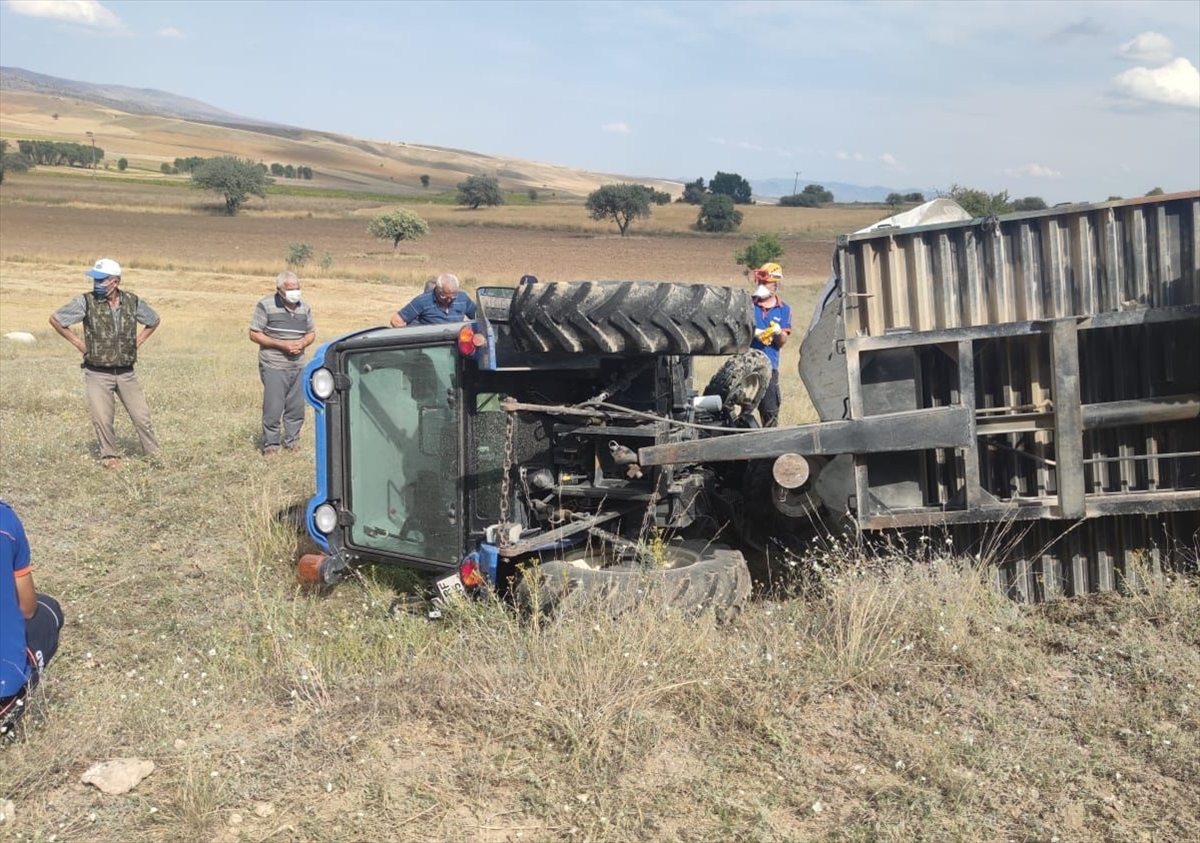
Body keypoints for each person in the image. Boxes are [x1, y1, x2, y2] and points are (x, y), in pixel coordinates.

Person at [49, 258, 161, 469]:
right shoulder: (86, 301)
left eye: (101, 280)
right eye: (95, 280)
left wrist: (138, 341)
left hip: (126, 372)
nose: (96, 284)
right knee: (102, 418)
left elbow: (153, 320)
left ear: (115, 282)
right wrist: (79, 344)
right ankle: (110, 457)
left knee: (142, 416)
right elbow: (56, 319)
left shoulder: (132, 301)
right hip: (97, 372)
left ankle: (154, 456)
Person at [1, 500, 64, 737]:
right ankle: (11, 706)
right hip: (4, 685)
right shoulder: (5, 521)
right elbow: (27, 608)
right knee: (47, 609)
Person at [249, 272, 316, 455]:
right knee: (273, 406)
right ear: (279, 290)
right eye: (290, 289)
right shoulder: (266, 305)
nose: (295, 293)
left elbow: (311, 333)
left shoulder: (304, 307)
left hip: (298, 364)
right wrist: (281, 345)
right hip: (274, 363)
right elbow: (254, 334)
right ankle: (271, 445)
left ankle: (292, 441)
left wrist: (302, 343)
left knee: (296, 407)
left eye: (297, 289)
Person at [749, 262, 793, 428]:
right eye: (759, 282)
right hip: (745, 364)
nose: (761, 286)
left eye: (765, 283)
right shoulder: (748, 304)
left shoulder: (784, 309)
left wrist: (776, 333)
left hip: (769, 367)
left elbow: (782, 342)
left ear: (776, 284)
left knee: (770, 412)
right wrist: (753, 332)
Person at [390, 272, 477, 327]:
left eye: (453, 297)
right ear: (437, 290)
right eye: (444, 297)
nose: (449, 300)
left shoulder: (463, 298)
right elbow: (396, 321)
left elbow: (479, 317)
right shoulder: (422, 301)